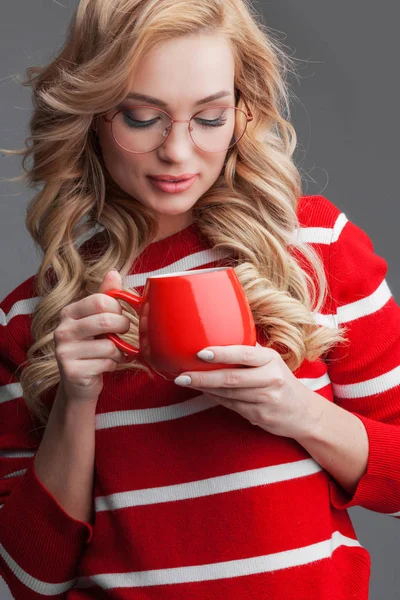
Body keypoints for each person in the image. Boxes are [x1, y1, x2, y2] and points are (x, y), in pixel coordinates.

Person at [0, 0, 399, 598]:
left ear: (244, 111)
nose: (179, 154)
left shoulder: (315, 246)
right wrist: (75, 398)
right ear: (91, 116)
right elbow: (32, 578)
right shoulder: (35, 317)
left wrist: (295, 410)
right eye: (141, 117)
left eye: (209, 118)